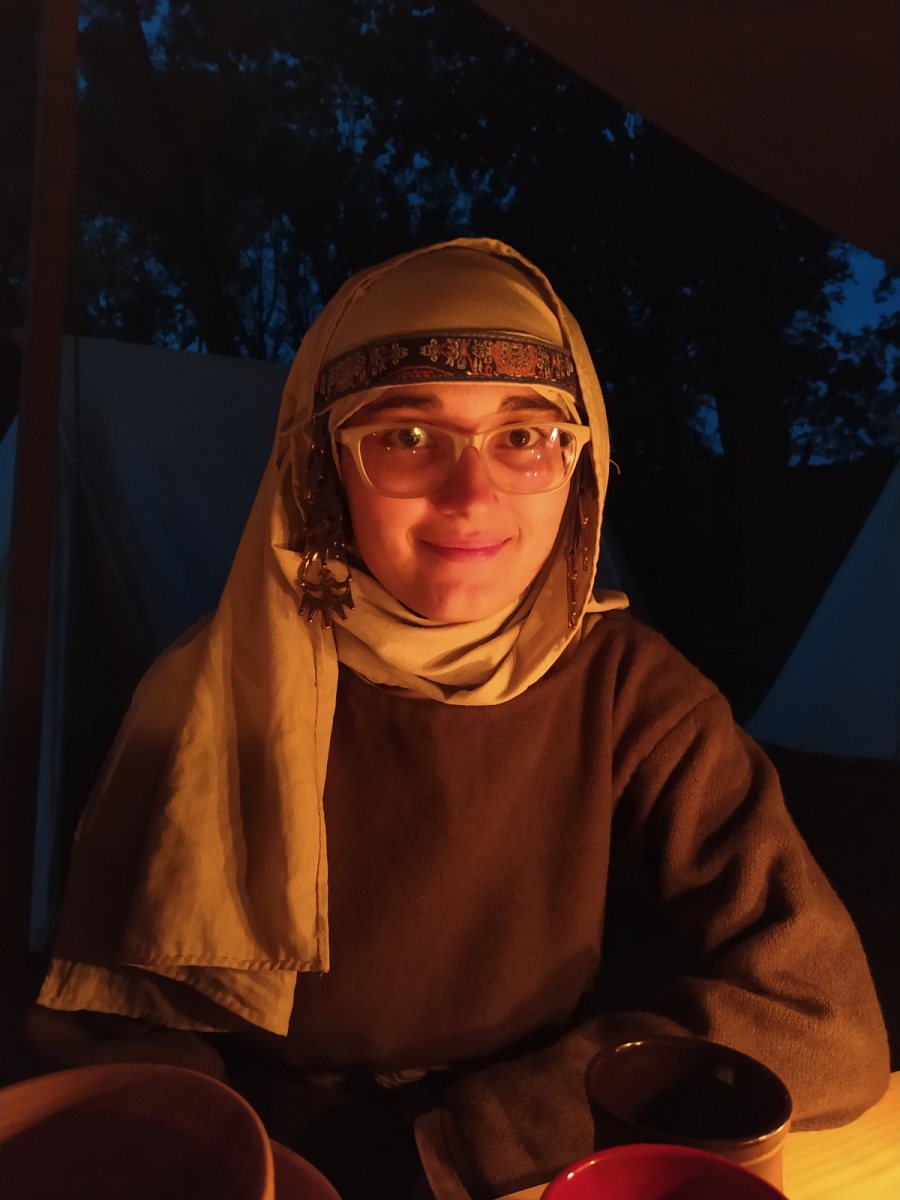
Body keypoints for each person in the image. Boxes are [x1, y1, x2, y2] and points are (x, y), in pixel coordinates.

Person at [30, 239, 889, 1200]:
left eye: (524, 436)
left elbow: (825, 1022)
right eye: (406, 436)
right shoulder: (205, 696)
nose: (472, 494)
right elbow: (113, 1042)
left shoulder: (632, 697)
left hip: (525, 1169)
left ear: (578, 465)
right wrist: (248, 1153)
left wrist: (460, 1140)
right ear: (324, 468)